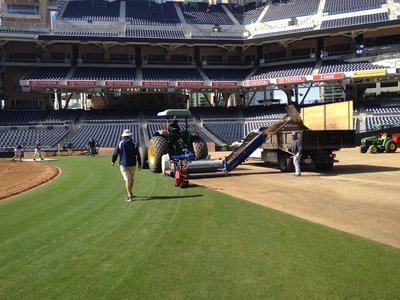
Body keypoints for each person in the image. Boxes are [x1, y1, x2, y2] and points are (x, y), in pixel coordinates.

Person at [111, 129, 141, 201]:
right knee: (131, 178)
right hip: (133, 164)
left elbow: (115, 154)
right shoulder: (134, 143)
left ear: (123, 136)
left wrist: (113, 161)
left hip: (123, 164)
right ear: (130, 135)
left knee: (127, 179)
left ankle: (129, 195)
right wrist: (140, 164)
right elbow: (138, 154)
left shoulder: (120, 143)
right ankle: (130, 192)